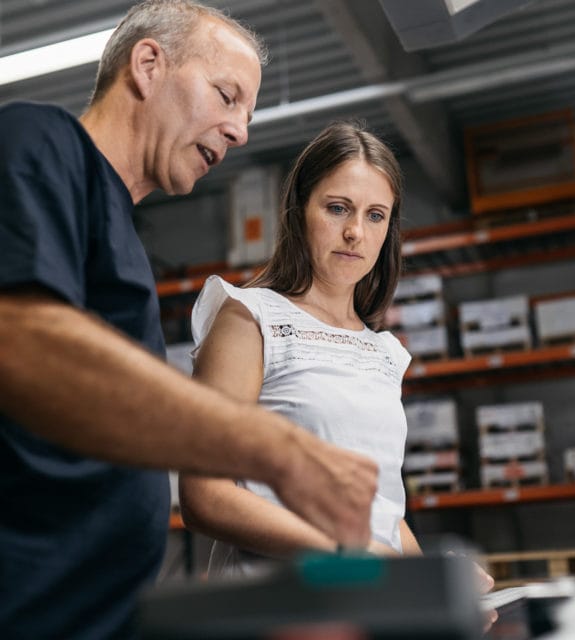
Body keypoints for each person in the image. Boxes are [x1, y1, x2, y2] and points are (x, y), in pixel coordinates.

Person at [0, 3, 378, 638]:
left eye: (248, 116)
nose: (240, 133)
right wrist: (276, 449)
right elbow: (21, 342)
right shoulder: (39, 143)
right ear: (148, 65)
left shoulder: (122, 239)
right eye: (226, 96)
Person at [180, 121, 493, 591]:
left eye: (375, 216)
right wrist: (349, 552)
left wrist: (434, 584)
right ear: (298, 210)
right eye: (337, 208)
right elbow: (206, 496)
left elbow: (384, 515)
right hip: (281, 607)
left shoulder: (383, 352)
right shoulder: (250, 318)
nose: (354, 233)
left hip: (370, 607)